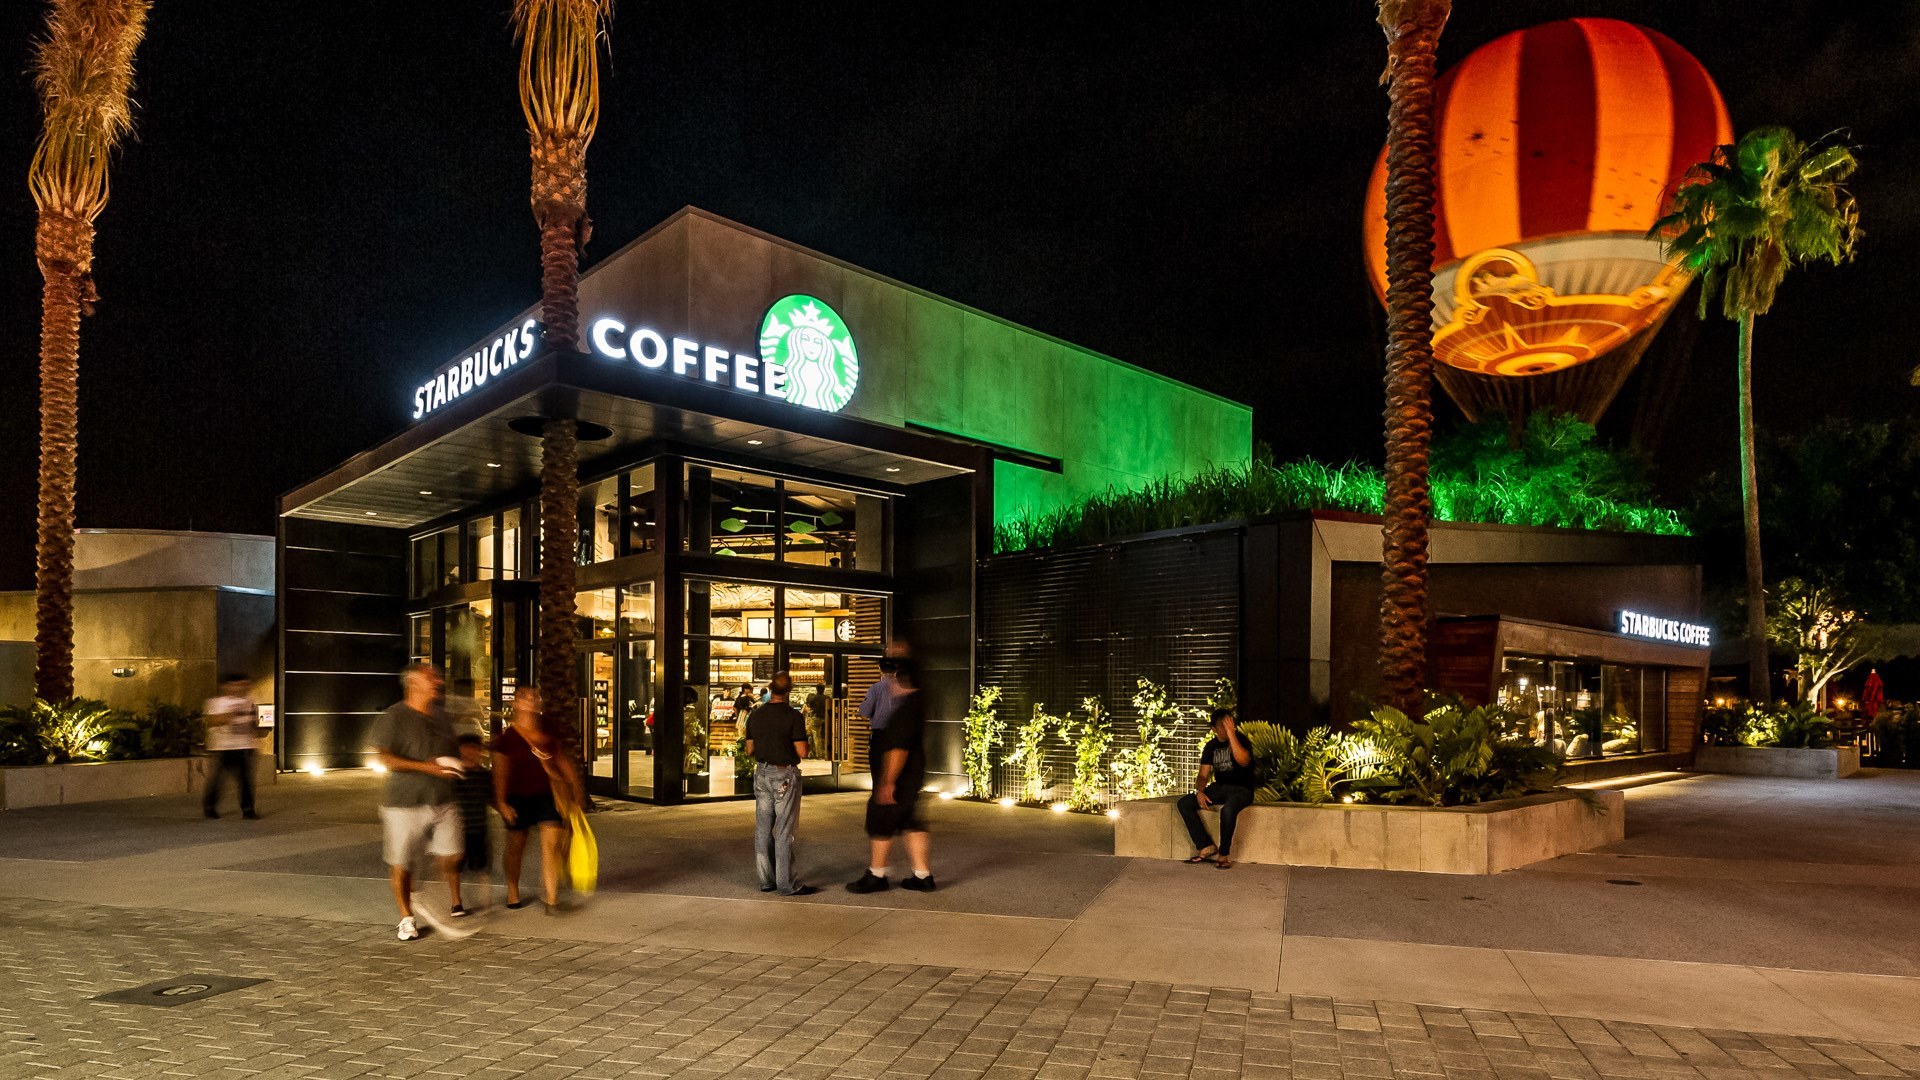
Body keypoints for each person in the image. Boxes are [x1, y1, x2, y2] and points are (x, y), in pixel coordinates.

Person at [368, 663, 463, 941]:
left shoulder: (441, 715)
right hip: (404, 802)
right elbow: (383, 757)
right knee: (402, 861)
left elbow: (451, 751)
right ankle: (406, 918)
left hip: (443, 799)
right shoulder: (394, 717)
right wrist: (426, 767)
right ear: (414, 684)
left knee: (453, 854)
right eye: (430, 677)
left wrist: (460, 763)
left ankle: (423, 891)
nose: (438, 680)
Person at [847, 655, 934, 893]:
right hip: (915, 769)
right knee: (910, 819)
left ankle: (876, 874)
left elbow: (898, 748)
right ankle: (922, 875)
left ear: (900, 680)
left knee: (881, 817)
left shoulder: (901, 707)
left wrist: (887, 782)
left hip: (897, 768)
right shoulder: (919, 702)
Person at [492, 687, 576, 914]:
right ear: (516, 703)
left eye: (535, 697)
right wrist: (501, 802)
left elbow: (561, 758)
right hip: (517, 797)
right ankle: (512, 890)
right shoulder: (507, 738)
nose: (532, 701)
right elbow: (500, 773)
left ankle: (551, 898)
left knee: (551, 845)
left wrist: (574, 788)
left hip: (547, 794)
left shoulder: (548, 728)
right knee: (516, 846)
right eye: (525, 698)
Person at [744, 671, 816, 897]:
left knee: (763, 829)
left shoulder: (756, 714)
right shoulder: (793, 716)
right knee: (784, 830)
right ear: (789, 690)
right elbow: (802, 751)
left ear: (770, 688)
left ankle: (766, 880)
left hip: (761, 773)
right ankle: (786, 884)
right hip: (784, 775)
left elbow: (749, 749)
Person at [1175, 708, 1257, 870]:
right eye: (1223, 725)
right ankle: (1205, 846)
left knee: (1228, 810)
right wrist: (1200, 791)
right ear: (1214, 729)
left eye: (1230, 724)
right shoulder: (1211, 746)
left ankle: (1224, 854)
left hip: (1242, 789)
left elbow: (1244, 761)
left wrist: (1231, 734)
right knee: (1184, 803)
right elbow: (1203, 775)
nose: (1228, 727)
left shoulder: (1241, 740)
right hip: (1220, 788)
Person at [202, 674, 261, 820]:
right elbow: (213, 721)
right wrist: (233, 712)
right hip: (222, 748)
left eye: (245, 685)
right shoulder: (216, 703)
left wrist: (257, 733)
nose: (243, 688)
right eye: (239, 684)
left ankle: (248, 810)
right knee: (217, 780)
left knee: (246, 780)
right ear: (227, 686)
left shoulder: (250, 702)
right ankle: (210, 807)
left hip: (245, 747)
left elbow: (253, 724)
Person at [450, 733, 493, 915]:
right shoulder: (455, 774)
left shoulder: (484, 775)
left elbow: (491, 797)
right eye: (467, 748)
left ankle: (485, 901)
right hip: (458, 828)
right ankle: (456, 902)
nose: (471, 752)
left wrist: (505, 808)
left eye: (475, 749)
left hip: (479, 827)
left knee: (482, 866)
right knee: (455, 865)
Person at [857, 638, 912, 735]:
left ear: (880, 669)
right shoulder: (904, 687)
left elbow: (865, 712)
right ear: (896, 670)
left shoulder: (875, 688)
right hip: (900, 733)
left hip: (880, 734)